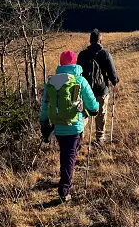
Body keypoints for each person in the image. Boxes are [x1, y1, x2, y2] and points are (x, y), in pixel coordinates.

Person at [39, 50, 99, 203]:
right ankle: (64, 191)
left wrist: (44, 122)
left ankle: (64, 178)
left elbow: (45, 105)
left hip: (58, 126)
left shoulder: (51, 82)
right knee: (69, 157)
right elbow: (92, 103)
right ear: (74, 64)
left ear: (61, 64)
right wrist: (95, 109)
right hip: (74, 126)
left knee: (67, 154)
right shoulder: (79, 80)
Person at [77, 29, 119, 144]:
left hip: (85, 90)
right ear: (100, 41)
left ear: (90, 41)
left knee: (84, 114)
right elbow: (112, 73)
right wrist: (114, 81)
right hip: (101, 90)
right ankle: (99, 139)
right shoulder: (105, 54)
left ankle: (79, 137)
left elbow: (77, 72)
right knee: (101, 114)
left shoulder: (82, 54)